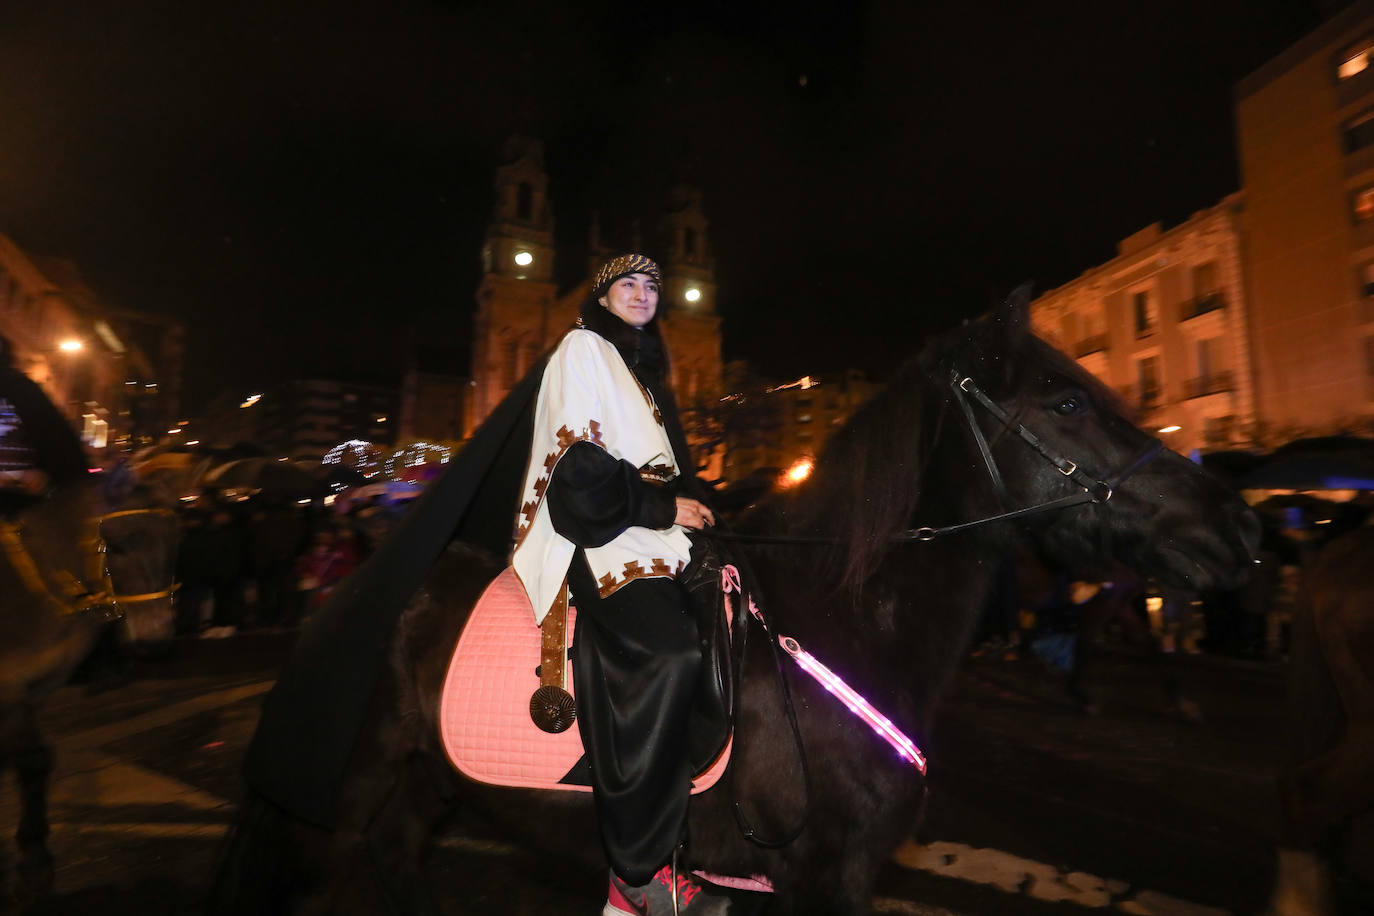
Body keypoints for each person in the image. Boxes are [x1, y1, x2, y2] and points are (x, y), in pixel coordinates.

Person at [511, 253, 719, 909]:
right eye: (626, 284)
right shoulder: (581, 348)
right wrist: (662, 506)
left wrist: (693, 504)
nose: (641, 293)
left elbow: (666, 468)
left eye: (651, 286)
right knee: (670, 654)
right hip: (597, 535)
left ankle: (691, 838)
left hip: (653, 531)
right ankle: (631, 876)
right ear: (599, 298)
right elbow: (577, 468)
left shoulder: (641, 375)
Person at [0, 334, 89, 511]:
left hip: (19, 512)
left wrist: (40, 479)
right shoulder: (21, 389)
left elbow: (64, 454)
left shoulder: (18, 390)